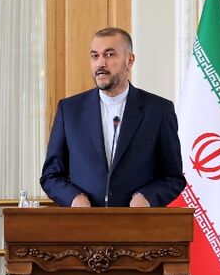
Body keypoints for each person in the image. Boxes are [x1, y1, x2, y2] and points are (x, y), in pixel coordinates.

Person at [40, 27, 186, 207]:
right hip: (84, 227)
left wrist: (146, 197)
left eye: (109, 55)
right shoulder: (69, 110)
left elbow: (173, 177)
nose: (100, 63)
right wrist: (75, 199)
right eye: (95, 56)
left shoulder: (158, 110)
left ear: (129, 60)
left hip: (138, 227)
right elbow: (51, 176)